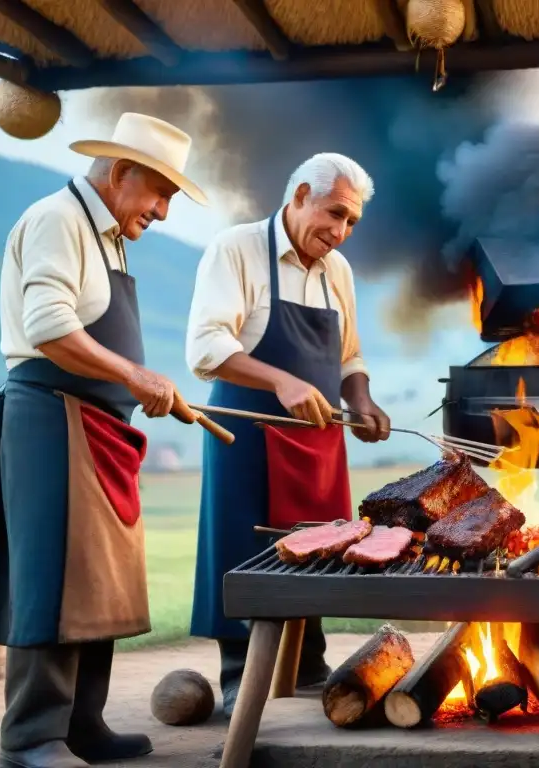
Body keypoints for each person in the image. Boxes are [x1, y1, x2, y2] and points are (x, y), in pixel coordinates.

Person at [0, 113, 207, 768]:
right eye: (160, 193)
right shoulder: (58, 220)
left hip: (101, 427)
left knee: (99, 584)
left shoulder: (109, 238)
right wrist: (134, 374)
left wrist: (141, 390)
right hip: (49, 419)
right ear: (121, 172)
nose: (161, 211)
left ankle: (81, 725)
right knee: (53, 581)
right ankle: (32, 737)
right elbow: (48, 327)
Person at [185, 152, 391, 717]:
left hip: (319, 439)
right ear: (299, 194)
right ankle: (238, 674)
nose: (341, 233)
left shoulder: (337, 271)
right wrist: (282, 382)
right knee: (242, 548)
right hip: (248, 432)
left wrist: (363, 400)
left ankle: (308, 666)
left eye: (352, 223)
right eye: (335, 214)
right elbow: (205, 347)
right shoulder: (237, 248)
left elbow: (349, 355)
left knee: (319, 547)